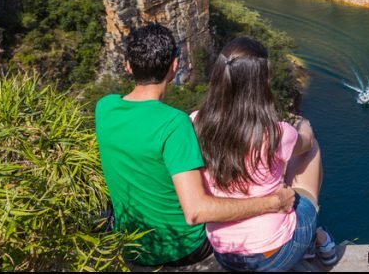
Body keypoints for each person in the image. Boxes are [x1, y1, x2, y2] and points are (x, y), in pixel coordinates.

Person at [95, 23, 295, 267]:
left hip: (130, 245)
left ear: (128, 65)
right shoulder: (174, 124)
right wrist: (273, 203)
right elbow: (196, 211)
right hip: (183, 248)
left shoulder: (104, 107)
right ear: (174, 65)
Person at [191, 36, 338, 271]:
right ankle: (317, 240)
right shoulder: (274, 132)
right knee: (310, 148)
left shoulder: (195, 123)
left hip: (224, 254)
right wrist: (303, 124)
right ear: (261, 83)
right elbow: (307, 141)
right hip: (273, 254)